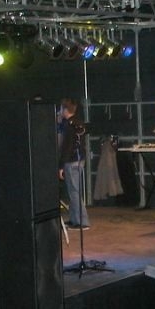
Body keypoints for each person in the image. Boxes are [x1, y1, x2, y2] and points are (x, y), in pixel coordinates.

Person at [58, 98, 90, 230]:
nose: (60, 111)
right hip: (79, 159)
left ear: (65, 110)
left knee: (74, 192)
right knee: (73, 191)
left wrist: (61, 166)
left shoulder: (69, 126)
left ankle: (82, 221)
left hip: (71, 161)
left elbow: (67, 147)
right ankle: (74, 219)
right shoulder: (78, 123)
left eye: (61, 109)